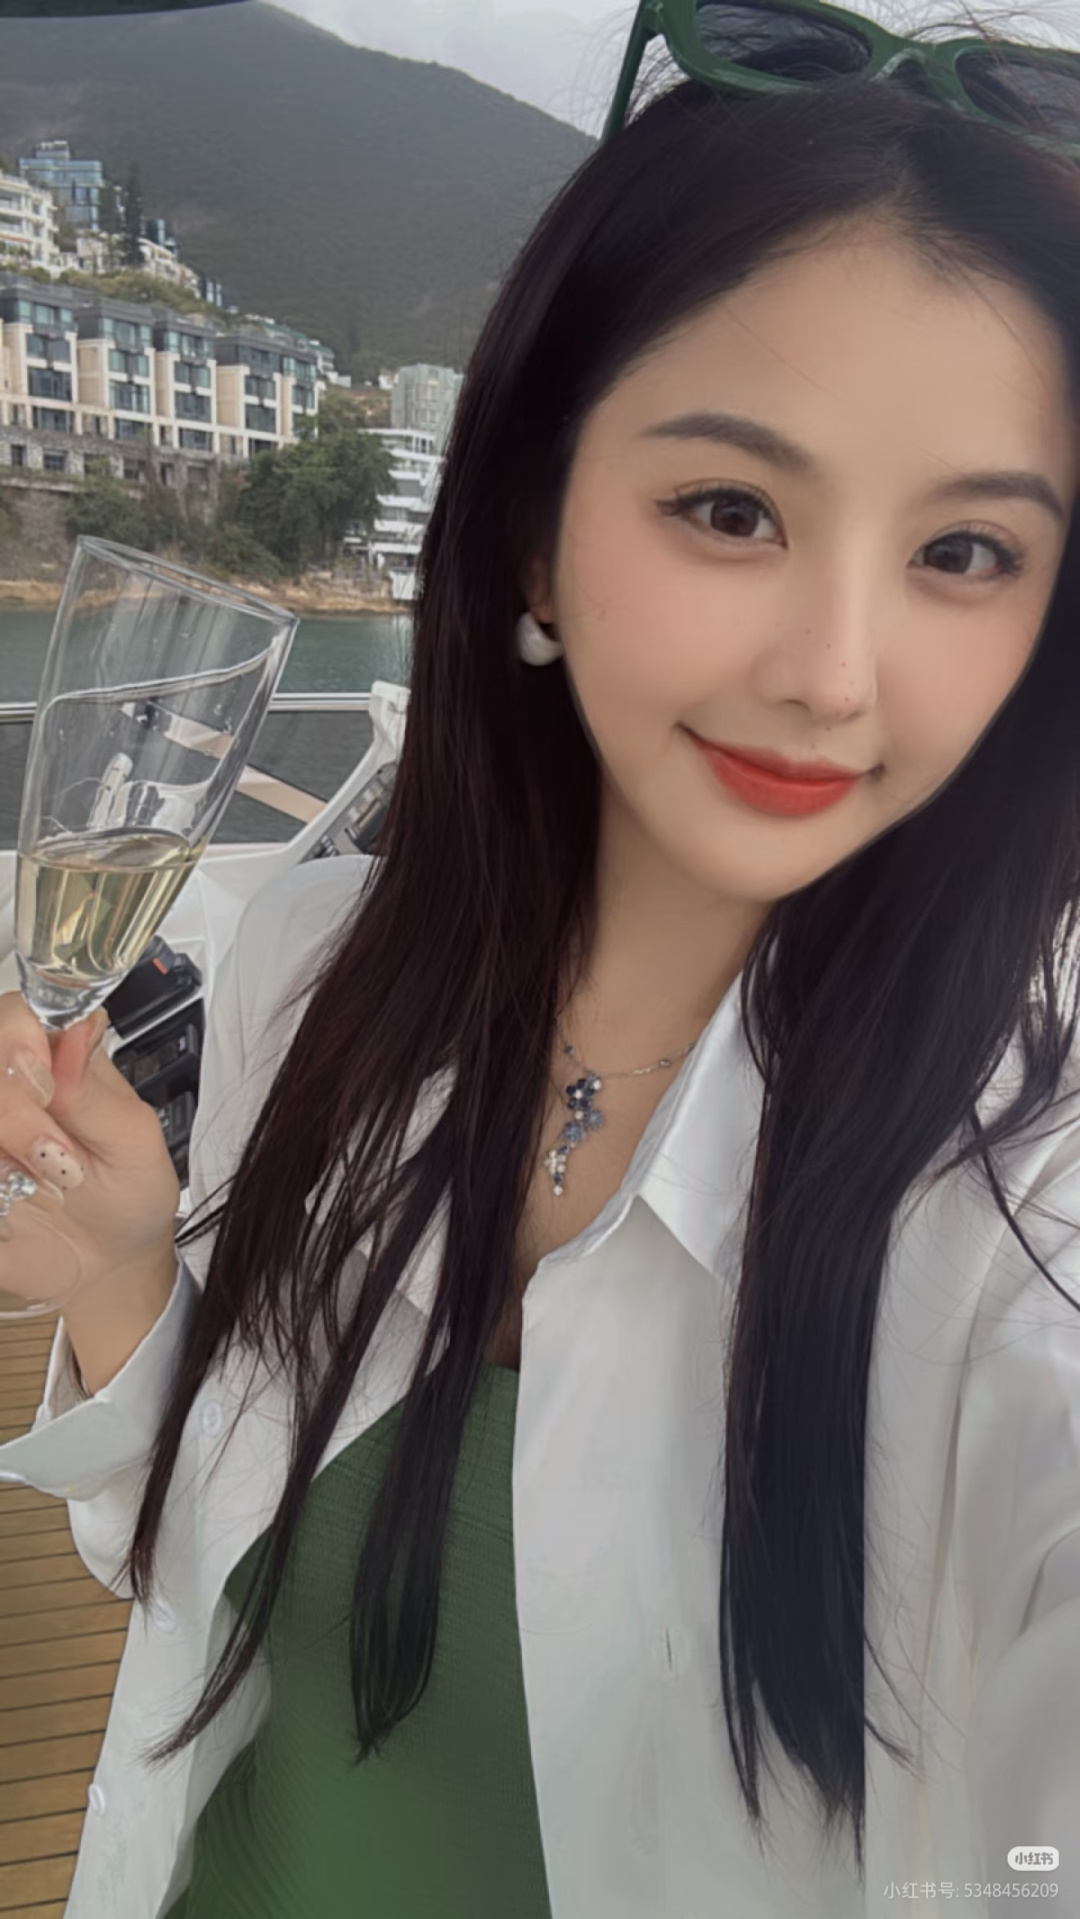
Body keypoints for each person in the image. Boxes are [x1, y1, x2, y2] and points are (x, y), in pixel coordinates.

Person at [2, 1, 1080, 1912]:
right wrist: (119, 1277)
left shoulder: (1024, 1223)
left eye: (967, 552)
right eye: (731, 509)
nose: (836, 673)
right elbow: (196, 1578)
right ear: (525, 529)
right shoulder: (319, 974)